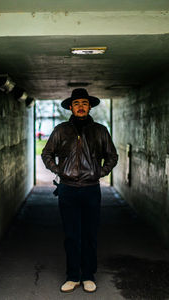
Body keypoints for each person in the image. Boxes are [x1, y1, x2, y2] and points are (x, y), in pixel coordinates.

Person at [41, 88, 118, 293]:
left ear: (89, 106)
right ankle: (73, 276)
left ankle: (88, 276)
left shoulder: (100, 130)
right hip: (68, 190)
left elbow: (112, 156)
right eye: (77, 104)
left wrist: (100, 172)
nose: (81, 107)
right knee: (71, 235)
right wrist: (59, 170)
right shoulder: (61, 130)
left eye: (84, 103)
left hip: (91, 189)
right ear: (71, 107)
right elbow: (46, 153)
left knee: (90, 234)